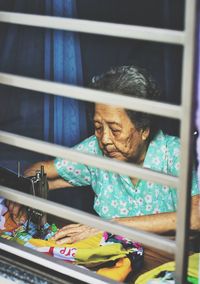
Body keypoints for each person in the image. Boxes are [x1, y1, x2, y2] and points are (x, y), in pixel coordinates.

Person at [6, 65, 200, 244]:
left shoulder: (175, 154)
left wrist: (107, 228)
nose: (105, 139)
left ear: (144, 129)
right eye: (98, 127)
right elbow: (42, 172)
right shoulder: (95, 151)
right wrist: (23, 190)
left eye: (115, 130)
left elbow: (195, 217)